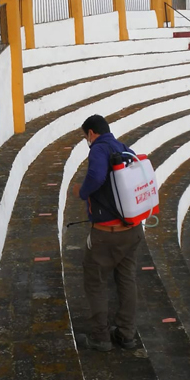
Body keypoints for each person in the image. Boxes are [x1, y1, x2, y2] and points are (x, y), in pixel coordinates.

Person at [73, 114, 144, 352]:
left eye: (86, 137)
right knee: (126, 279)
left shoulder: (99, 149)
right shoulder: (124, 148)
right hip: (132, 230)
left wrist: (82, 192)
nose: (87, 141)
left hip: (106, 233)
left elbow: (95, 176)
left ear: (91, 133)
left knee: (95, 281)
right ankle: (126, 335)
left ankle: (100, 337)